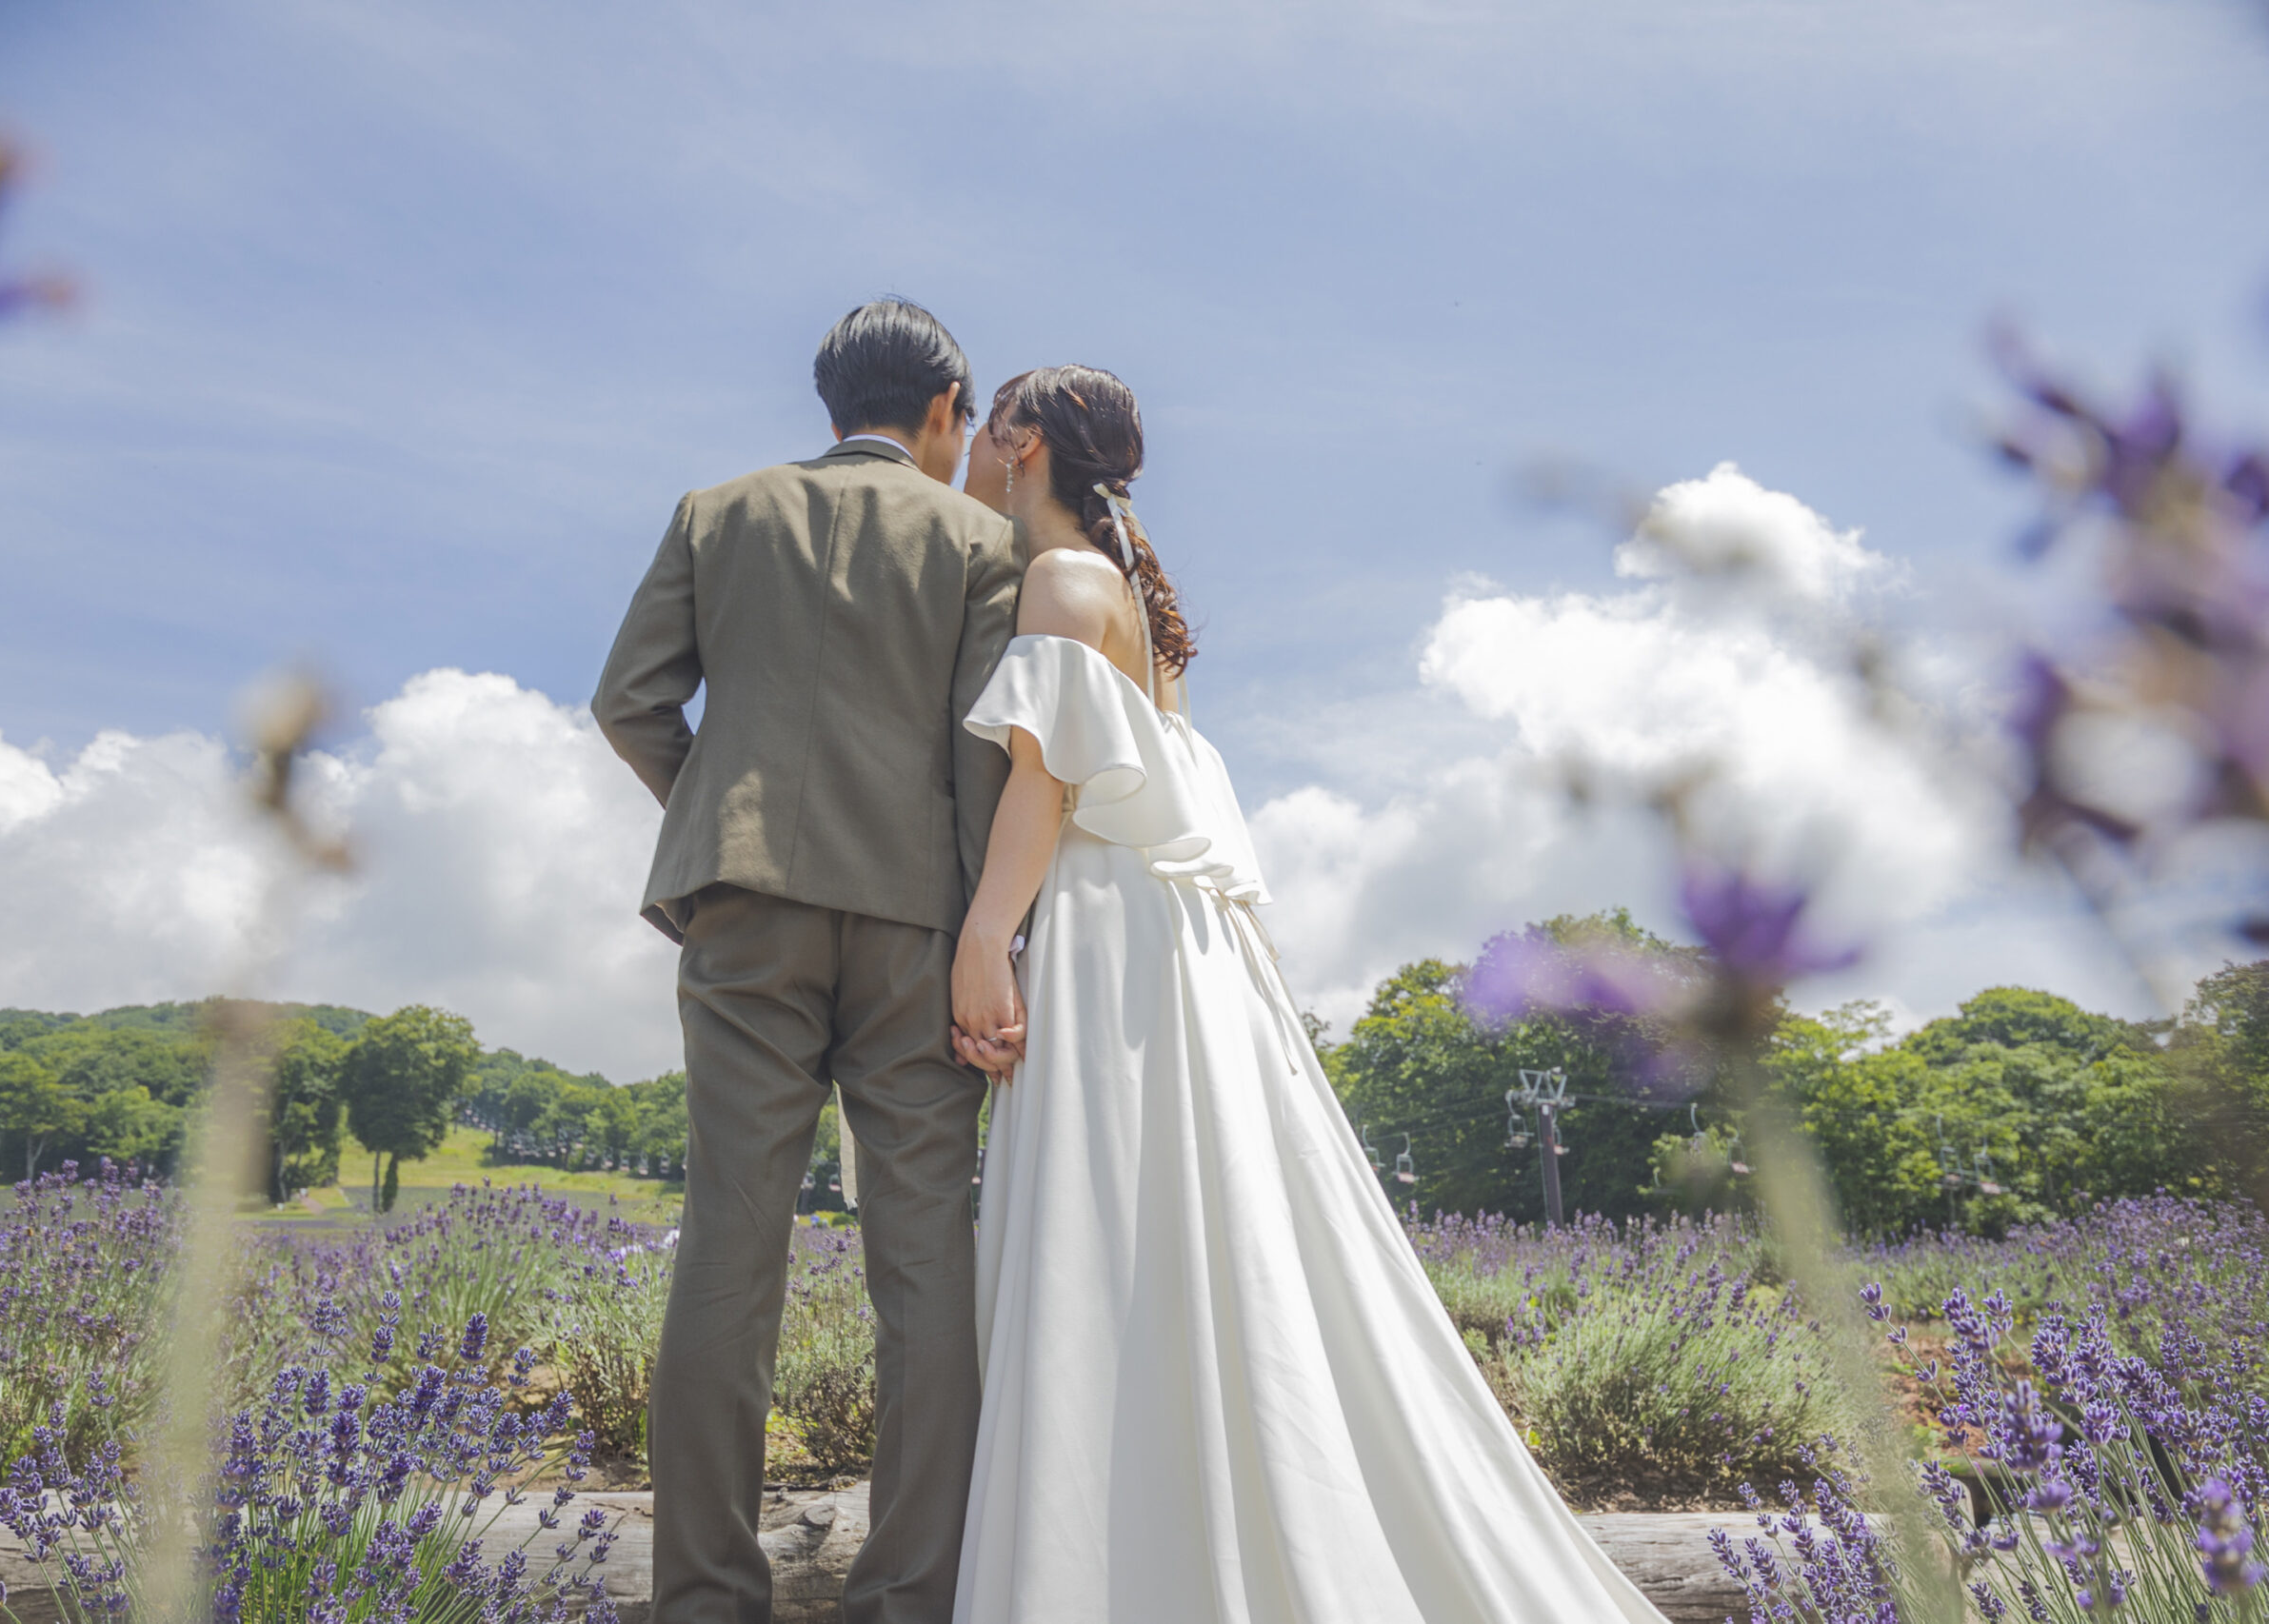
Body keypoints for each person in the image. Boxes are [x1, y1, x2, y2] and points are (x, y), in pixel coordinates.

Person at [944, 366, 1672, 1624]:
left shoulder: (1059, 581)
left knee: (1104, 1226)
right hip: (1178, 937)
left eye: (985, 427)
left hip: (1111, 931)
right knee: (1175, 1225)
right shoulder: (1129, 596)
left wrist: (982, 941)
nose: (966, 450)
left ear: (1023, 443)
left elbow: (1043, 784)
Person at [592, 298, 1022, 1624]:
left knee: (728, 1247)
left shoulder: (715, 512)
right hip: (917, 924)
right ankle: (909, 1595)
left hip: (744, 915)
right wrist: (985, 934)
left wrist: (718, 819)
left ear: (832, 402)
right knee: (925, 1260)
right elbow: (983, 752)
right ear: (944, 409)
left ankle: (707, 1596)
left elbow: (629, 702)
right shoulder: (982, 540)